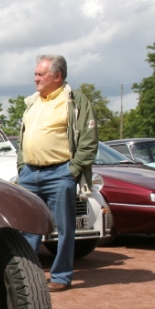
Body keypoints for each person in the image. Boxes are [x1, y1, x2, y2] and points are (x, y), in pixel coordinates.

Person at [16, 54, 97, 292]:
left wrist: (72, 171)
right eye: (35, 74)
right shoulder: (33, 102)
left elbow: (89, 141)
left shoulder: (74, 100)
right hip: (29, 174)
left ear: (58, 76)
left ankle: (61, 276)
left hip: (60, 173)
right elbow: (23, 137)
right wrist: (22, 166)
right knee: (26, 226)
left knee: (64, 228)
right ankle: (27, 278)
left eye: (41, 74)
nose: (36, 78)